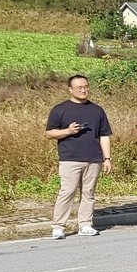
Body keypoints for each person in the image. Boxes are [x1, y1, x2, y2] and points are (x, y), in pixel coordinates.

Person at [45, 74, 112, 239]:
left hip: (93, 159)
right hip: (70, 159)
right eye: (79, 87)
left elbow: (104, 135)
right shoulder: (60, 109)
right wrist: (68, 131)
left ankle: (85, 224)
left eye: (86, 87)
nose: (83, 90)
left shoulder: (97, 110)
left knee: (89, 193)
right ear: (70, 89)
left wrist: (107, 158)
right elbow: (49, 133)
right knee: (67, 192)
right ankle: (59, 226)